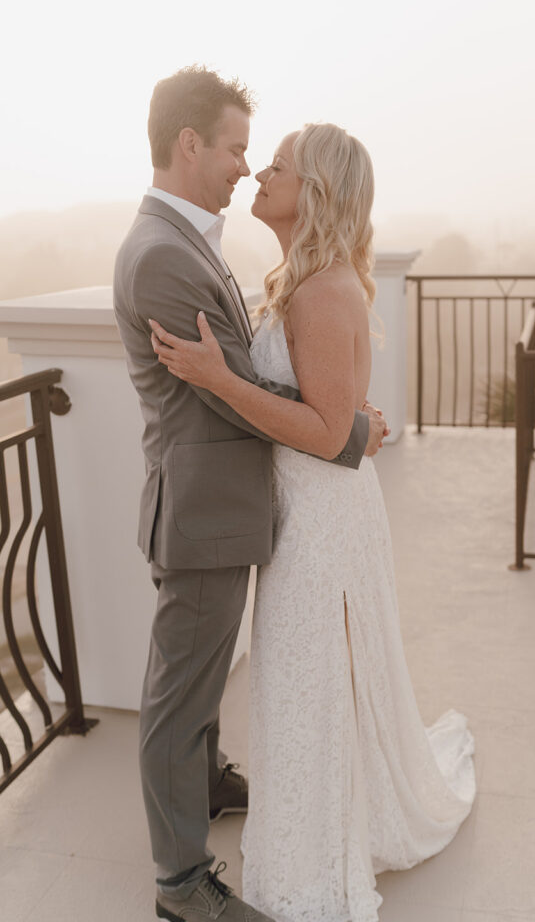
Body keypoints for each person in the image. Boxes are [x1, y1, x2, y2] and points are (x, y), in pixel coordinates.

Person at [150, 122, 476, 922]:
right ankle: (305, 824)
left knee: (309, 680)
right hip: (301, 509)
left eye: (279, 166)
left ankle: (313, 850)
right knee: (301, 679)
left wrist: (217, 378)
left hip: (323, 519)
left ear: (317, 193)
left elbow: (328, 438)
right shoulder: (299, 277)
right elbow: (332, 415)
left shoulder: (326, 288)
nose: (260, 172)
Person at [113, 67, 387, 922]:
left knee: (197, 681)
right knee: (178, 694)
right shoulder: (163, 253)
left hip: (230, 505)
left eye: (260, 157)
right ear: (189, 144)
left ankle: (208, 779)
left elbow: (261, 377)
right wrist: (353, 433)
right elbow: (230, 386)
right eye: (236, 149)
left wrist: (339, 420)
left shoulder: (191, 239)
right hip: (204, 510)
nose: (244, 167)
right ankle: (181, 884)